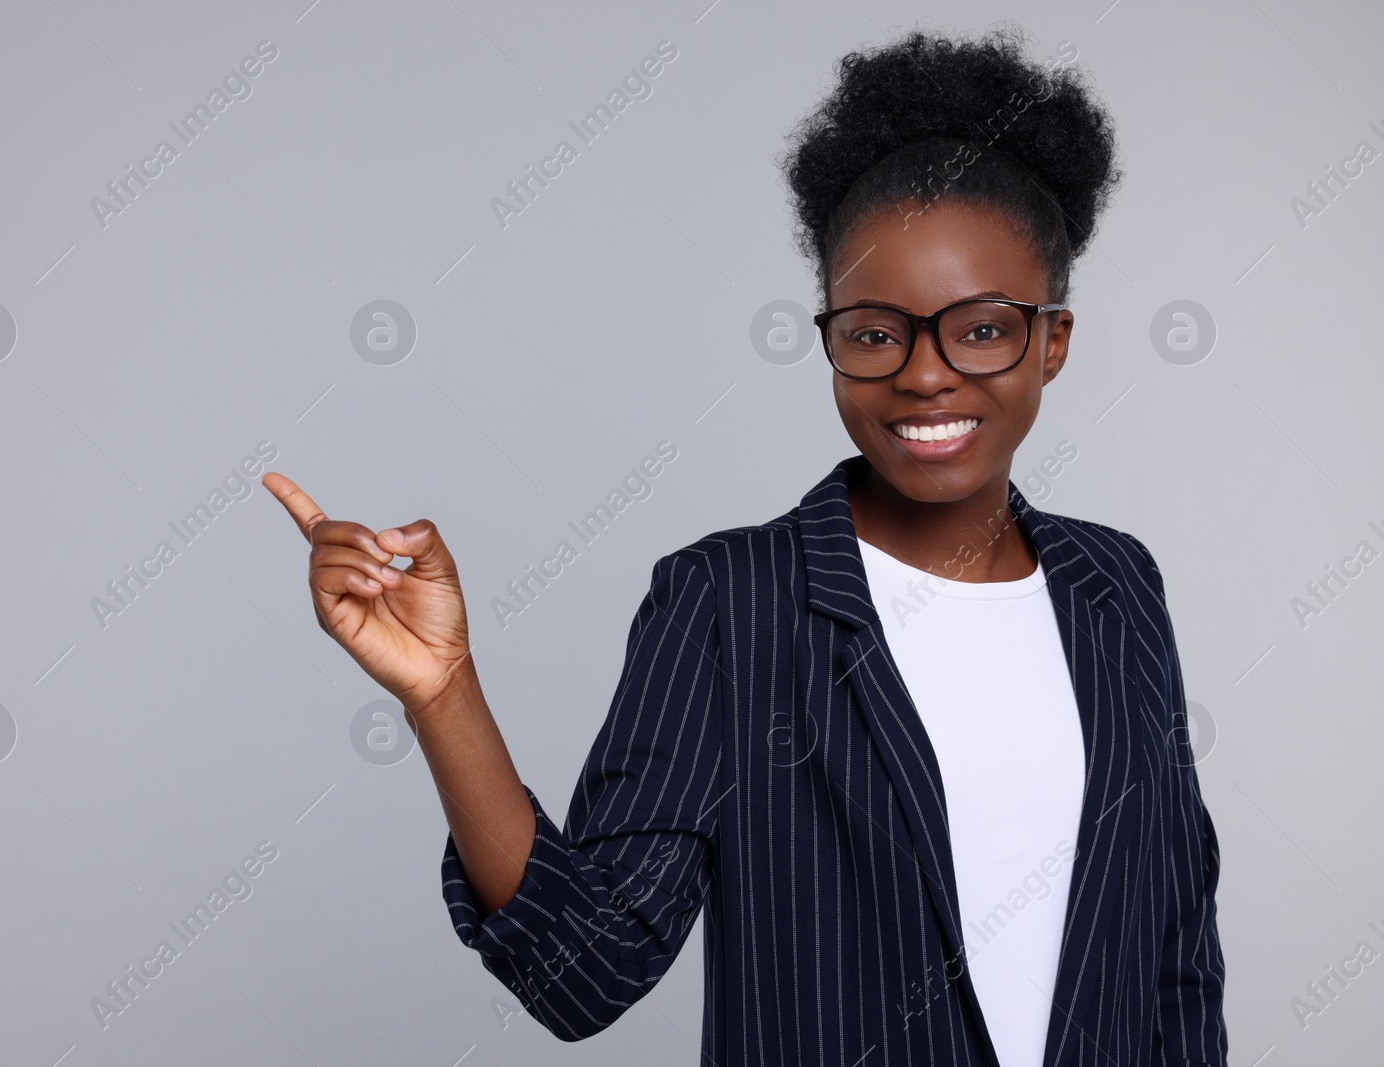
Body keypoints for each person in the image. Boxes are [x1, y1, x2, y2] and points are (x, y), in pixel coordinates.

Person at [262, 24, 1226, 1067]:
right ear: (831, 341)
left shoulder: (1115, 583)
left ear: (1051, 343)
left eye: (981, 327)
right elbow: (582, 971)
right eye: (872, 331)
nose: (924, 373)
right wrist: (443, 692)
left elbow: (1173, 943)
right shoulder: (733, 603)